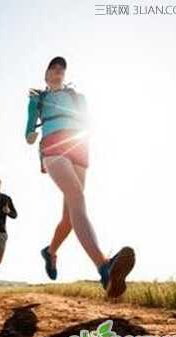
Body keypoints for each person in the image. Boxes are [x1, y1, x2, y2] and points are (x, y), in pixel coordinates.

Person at [25, 56, 135, 298]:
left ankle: (50, 251)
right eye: (53, 68)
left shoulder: (77, 97)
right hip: (53, 145)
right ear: (46, 75)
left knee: (69, 217)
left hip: (79, 146)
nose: (58, 71)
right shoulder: (38, 98)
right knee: (77, 198)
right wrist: (31, 135)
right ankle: (104, 267)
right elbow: (28, 129)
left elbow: (88, 122)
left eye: (61, 68)